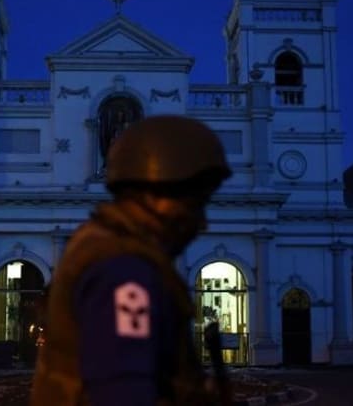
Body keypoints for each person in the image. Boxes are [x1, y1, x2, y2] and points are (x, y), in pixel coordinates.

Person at [30, 115, 232, 406]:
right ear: (156, 195)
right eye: (194, 204)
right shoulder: (123, 272)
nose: (200, 223)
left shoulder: (107, 248)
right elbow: (123, 393)